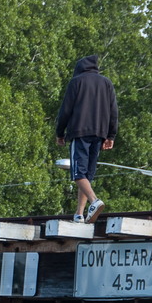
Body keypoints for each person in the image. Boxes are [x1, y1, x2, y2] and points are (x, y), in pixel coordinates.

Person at [56, 54, 118, 223]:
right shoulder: (106, 83)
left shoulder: (77, 82)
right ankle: (79, 214)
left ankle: (94, 201)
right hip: (99, 134)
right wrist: (111, 135)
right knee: (86, 176)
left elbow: (65, 110)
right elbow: (114, 111)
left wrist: (60, 132)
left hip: (80, 131)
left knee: (77, 173)